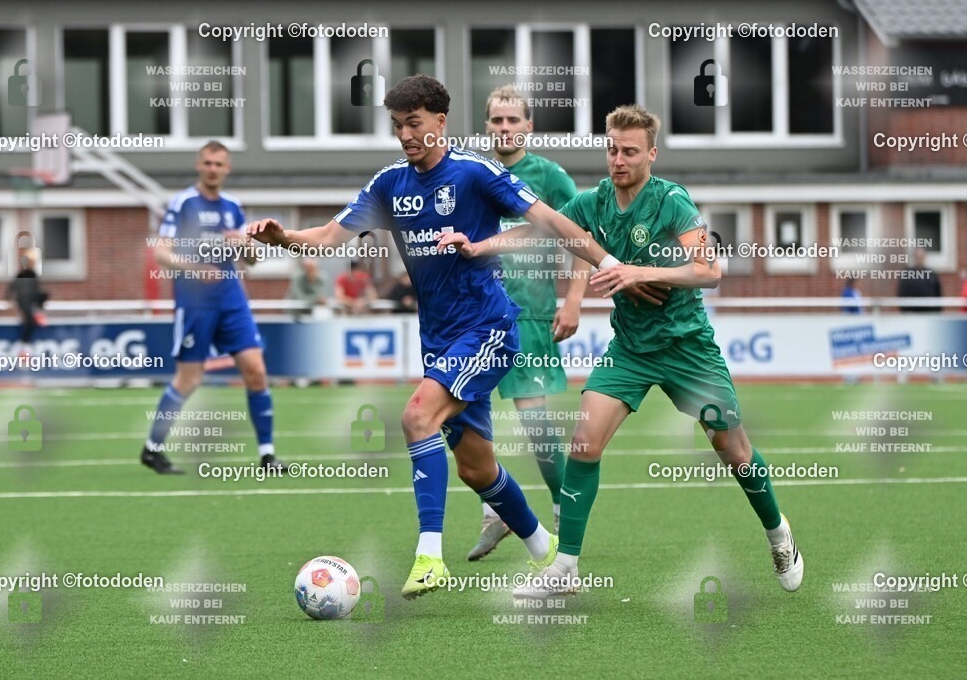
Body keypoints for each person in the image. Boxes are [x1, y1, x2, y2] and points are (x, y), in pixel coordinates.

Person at [247, 75, 618, 599]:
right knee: (476, 468)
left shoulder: (474, 172)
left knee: (416, 416)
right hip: (439, 338)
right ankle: (550, 555)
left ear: (440, 122)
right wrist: (282, 237)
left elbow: (547, 222)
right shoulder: (389, 184)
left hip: (487, 327)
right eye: (397, 125)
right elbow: (328, 238)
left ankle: (429, 556)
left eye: (414, 123)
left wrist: (607, 263)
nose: (405, 135)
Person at [446, 105, 804, 598]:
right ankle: (565, 569)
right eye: (612, 148)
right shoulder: (593, 202)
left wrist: (640, 272)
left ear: (651, 154)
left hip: (687, 347)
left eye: (629, 151)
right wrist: (479, 246)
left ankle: (778, 533)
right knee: (585, 442)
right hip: (630, 349)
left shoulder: (672, 200)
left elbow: (709, 271)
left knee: (733, 451)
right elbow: (541, 231)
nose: (618, 159)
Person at [466, 85, 589, 561]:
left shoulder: (548, 176)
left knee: (536, 425)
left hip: (530, 316)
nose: (504, 128)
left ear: (528, 126)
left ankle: (563, 511)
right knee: (467, 419)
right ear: (487, 125)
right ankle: (495, 514)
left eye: (513, 120)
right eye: (496, 121)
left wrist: (574, 299)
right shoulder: (473, 173)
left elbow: (582, 237)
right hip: (476, 315)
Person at [141, 140, 282, 474]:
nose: (213, 169)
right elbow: (161, 253)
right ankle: (153, 448)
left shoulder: (233, 206)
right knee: (188, 380)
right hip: (194, 302)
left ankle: (267, 455)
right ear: (198, 165)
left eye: (219, 164)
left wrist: (245, 244)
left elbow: (252, 260)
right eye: (208, 163)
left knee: (256, 371)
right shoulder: (183, 203)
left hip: (232, 299)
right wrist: (195, 269)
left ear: (227, 168)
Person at [6, 249, 48, 354]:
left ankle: (38, 312)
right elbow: (11, 289)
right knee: (28, 321)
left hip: (30, 301)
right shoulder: (23, 276)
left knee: (44, 295)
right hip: (25, 302)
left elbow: (37, 291)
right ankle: (24, 345)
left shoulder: (31, 275)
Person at [896, 248, 942, 313]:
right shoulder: (907, 274)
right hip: (911, 314)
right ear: (915, 258)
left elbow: (938, 293)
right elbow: (901, 293)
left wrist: (936, 311)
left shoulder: (931, 274)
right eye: (918, 257)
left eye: (921, 257)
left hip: (929, 313)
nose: (920, 259)